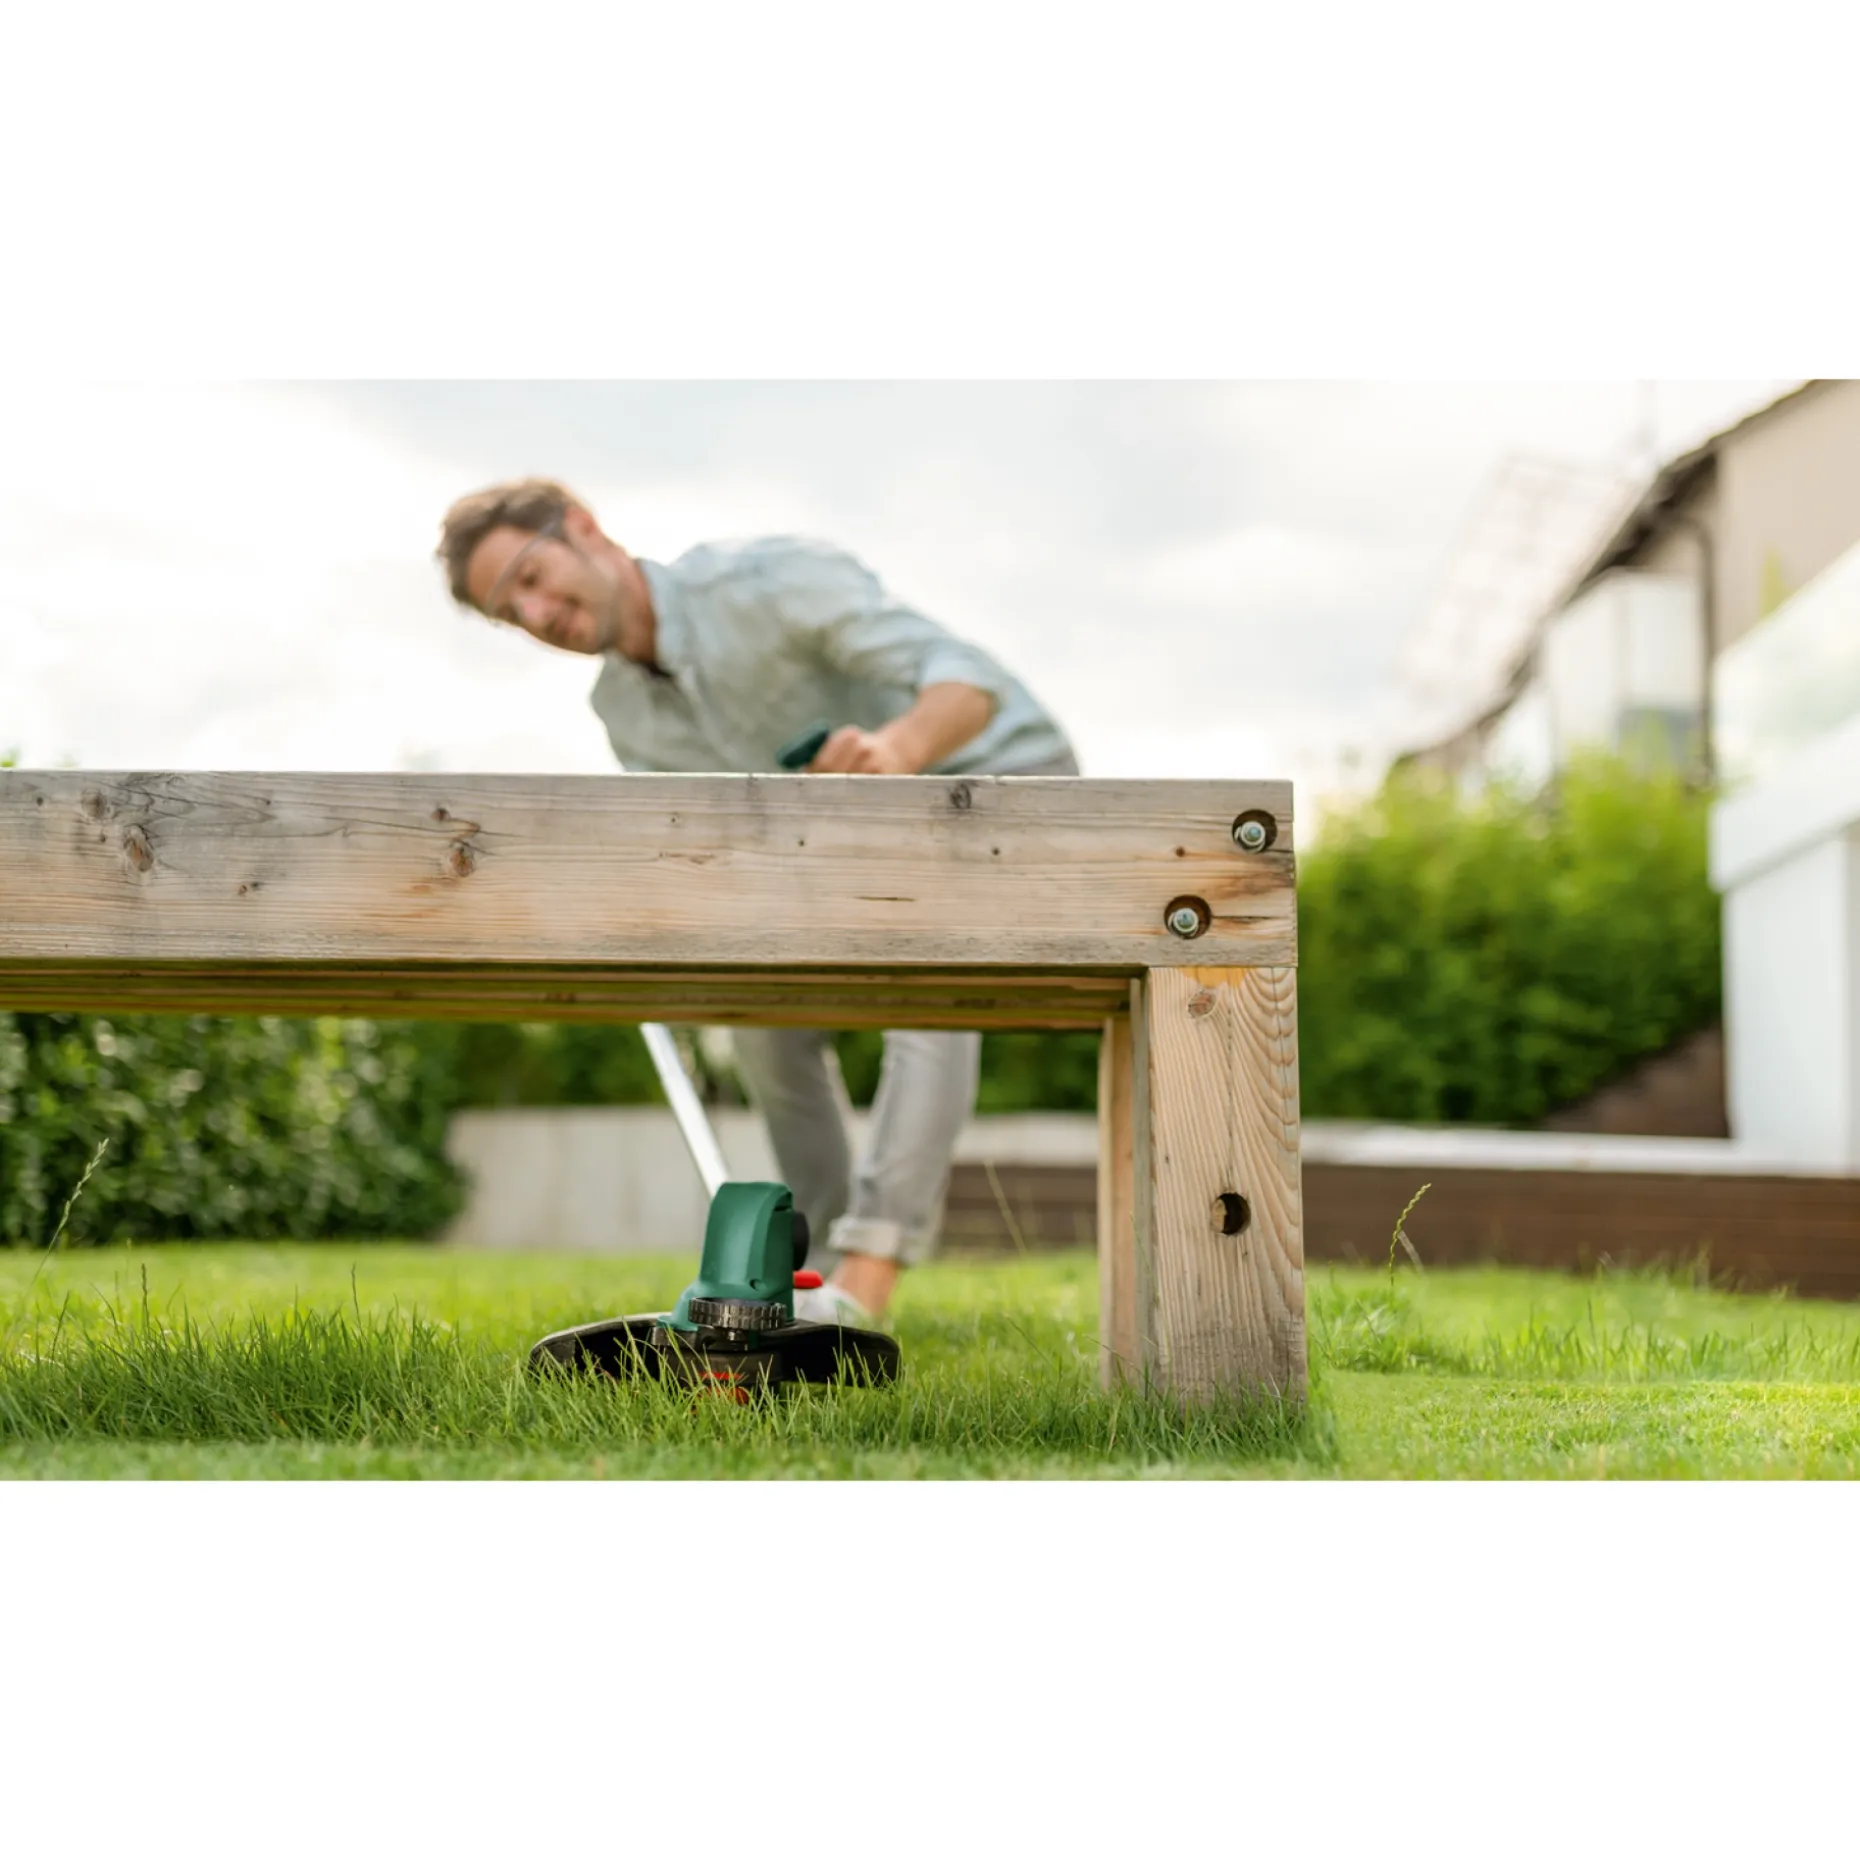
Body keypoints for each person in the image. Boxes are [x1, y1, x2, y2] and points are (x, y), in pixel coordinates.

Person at [435, 478, 1079, 1325]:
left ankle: (869, 1278)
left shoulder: (767, 581)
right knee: (758, 1012)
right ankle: (814, 1281)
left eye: (529, 576)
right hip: (849, 853)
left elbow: (969, 679)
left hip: (1009, 792)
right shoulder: (623, 713)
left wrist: (897, 748)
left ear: (583, 529)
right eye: (508, 612)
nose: (534, 614)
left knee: (929, 975)